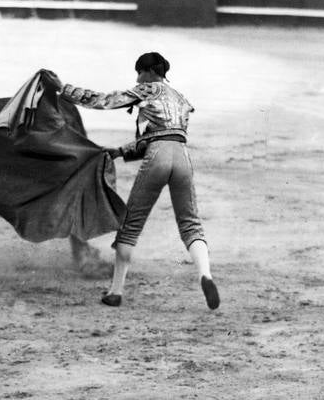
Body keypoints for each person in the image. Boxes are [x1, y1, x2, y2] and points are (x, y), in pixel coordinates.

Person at [57, 52, 220, 311]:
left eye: (138, 73)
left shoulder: (146, 89)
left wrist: (64, 89)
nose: (136, 79)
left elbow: (105, 101)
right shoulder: (181, 99)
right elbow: (167, 135)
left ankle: (115, 291)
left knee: (131, 225)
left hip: (157, 156)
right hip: (183, 158)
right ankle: (205, 275)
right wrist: (120, 151)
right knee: (190, 224)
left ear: (145, 71)